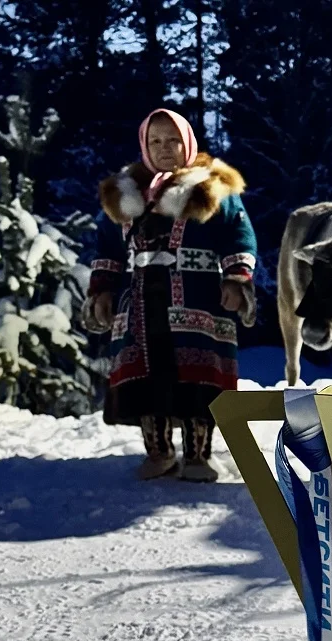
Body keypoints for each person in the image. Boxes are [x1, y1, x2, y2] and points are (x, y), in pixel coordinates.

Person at [82, 108, 258, 482]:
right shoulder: (124, 192)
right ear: (144, 145)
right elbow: (107, 247)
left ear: (188, 142)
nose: (164, 148)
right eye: (155, 141)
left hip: (199, 299)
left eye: (172, 140)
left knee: (199, 376)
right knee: (147, 375)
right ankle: (159, 452)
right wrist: (101, 289)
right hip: (139, 300)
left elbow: (239, 236)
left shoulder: (213, 187)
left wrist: (236, 278)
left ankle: (198, 456)